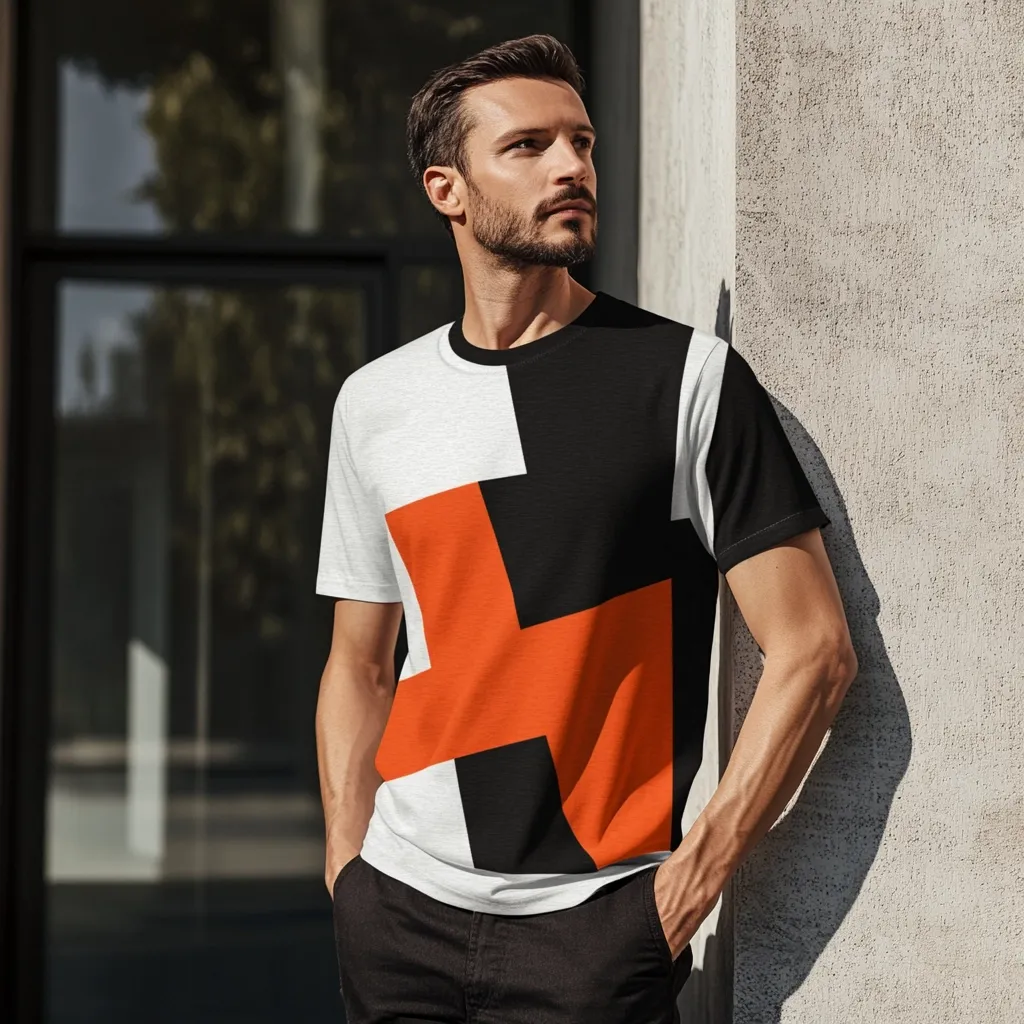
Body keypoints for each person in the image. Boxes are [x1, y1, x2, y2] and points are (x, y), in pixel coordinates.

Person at [314, 32, 856, 1024]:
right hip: (398, 921)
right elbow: (359, 662)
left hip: (597, 936)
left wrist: (684, 891)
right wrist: (347, 871)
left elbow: (814, 650)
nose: (572, 166)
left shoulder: (684, 379)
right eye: (527, 146)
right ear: (448, 188)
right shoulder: (375, 404)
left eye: (584, 142)